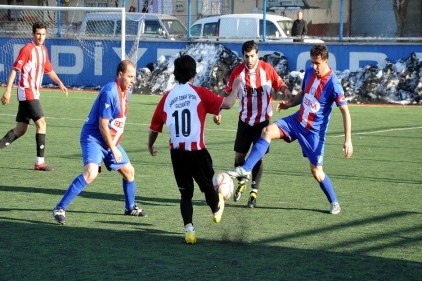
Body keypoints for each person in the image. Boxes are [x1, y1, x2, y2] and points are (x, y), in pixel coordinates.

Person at [227, 44, 353, 215]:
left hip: (313, 133)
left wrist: (348, 140)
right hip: (296, 122)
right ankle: (246, 169)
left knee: (317, 172)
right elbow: (303, 93)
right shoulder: (309, 72)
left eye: (317, 63)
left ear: (325, 61)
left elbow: (345, 111)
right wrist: (289, 104)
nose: (313, 67)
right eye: (312, 62)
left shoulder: (333, 84)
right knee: (267, 132)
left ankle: (334, 201)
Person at [148, 54, 240, 244]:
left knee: (185, 194)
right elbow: (229, 103)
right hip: (197, 152)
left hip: (177, 154)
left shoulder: (167, 98)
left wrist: (150, 144)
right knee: (208, 187)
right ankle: (216, 209)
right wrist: (237, 84)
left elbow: (155, 127)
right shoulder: (200, 93)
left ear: (175, 74)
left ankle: (189, 230)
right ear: (193, 74)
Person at [53, 60, 147, 225]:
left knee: (129, 172)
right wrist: (113, 148)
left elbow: (116, 122)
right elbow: (102, 125)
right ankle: (60, 208)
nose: (133, 80)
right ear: (119, 75)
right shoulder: (110, 91)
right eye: (130, 76)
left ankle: (130, 207)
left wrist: (114, 144)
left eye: (134, 77)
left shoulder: (126, 92)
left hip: (109, 139)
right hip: (94, 137)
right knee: (91, 172)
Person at [213, 40, 291, 208]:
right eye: (246, 56)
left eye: (252, 56)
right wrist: (218, 111)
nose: (249, 59)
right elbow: (227, 93)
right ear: (243, 56)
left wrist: (286, 91)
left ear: (257, 54)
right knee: (239, 157)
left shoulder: (267, 69)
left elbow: (280, 83)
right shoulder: (237, 72)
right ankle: (242, 181)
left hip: (262, 122)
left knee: (258, 156)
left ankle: (253, 193)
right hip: (244, 120)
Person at [0, 22, 68, 171]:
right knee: (41, 123)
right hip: (27, 91)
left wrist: (60, 83)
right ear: (33, 34)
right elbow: (14, 70)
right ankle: (39, 162)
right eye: (38, 34)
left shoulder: (43, 50)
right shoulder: (27, 49)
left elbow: (49, 71)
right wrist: (8, 90)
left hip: (33, 93)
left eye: (43, 34)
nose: (41, 37)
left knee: (20, 129)